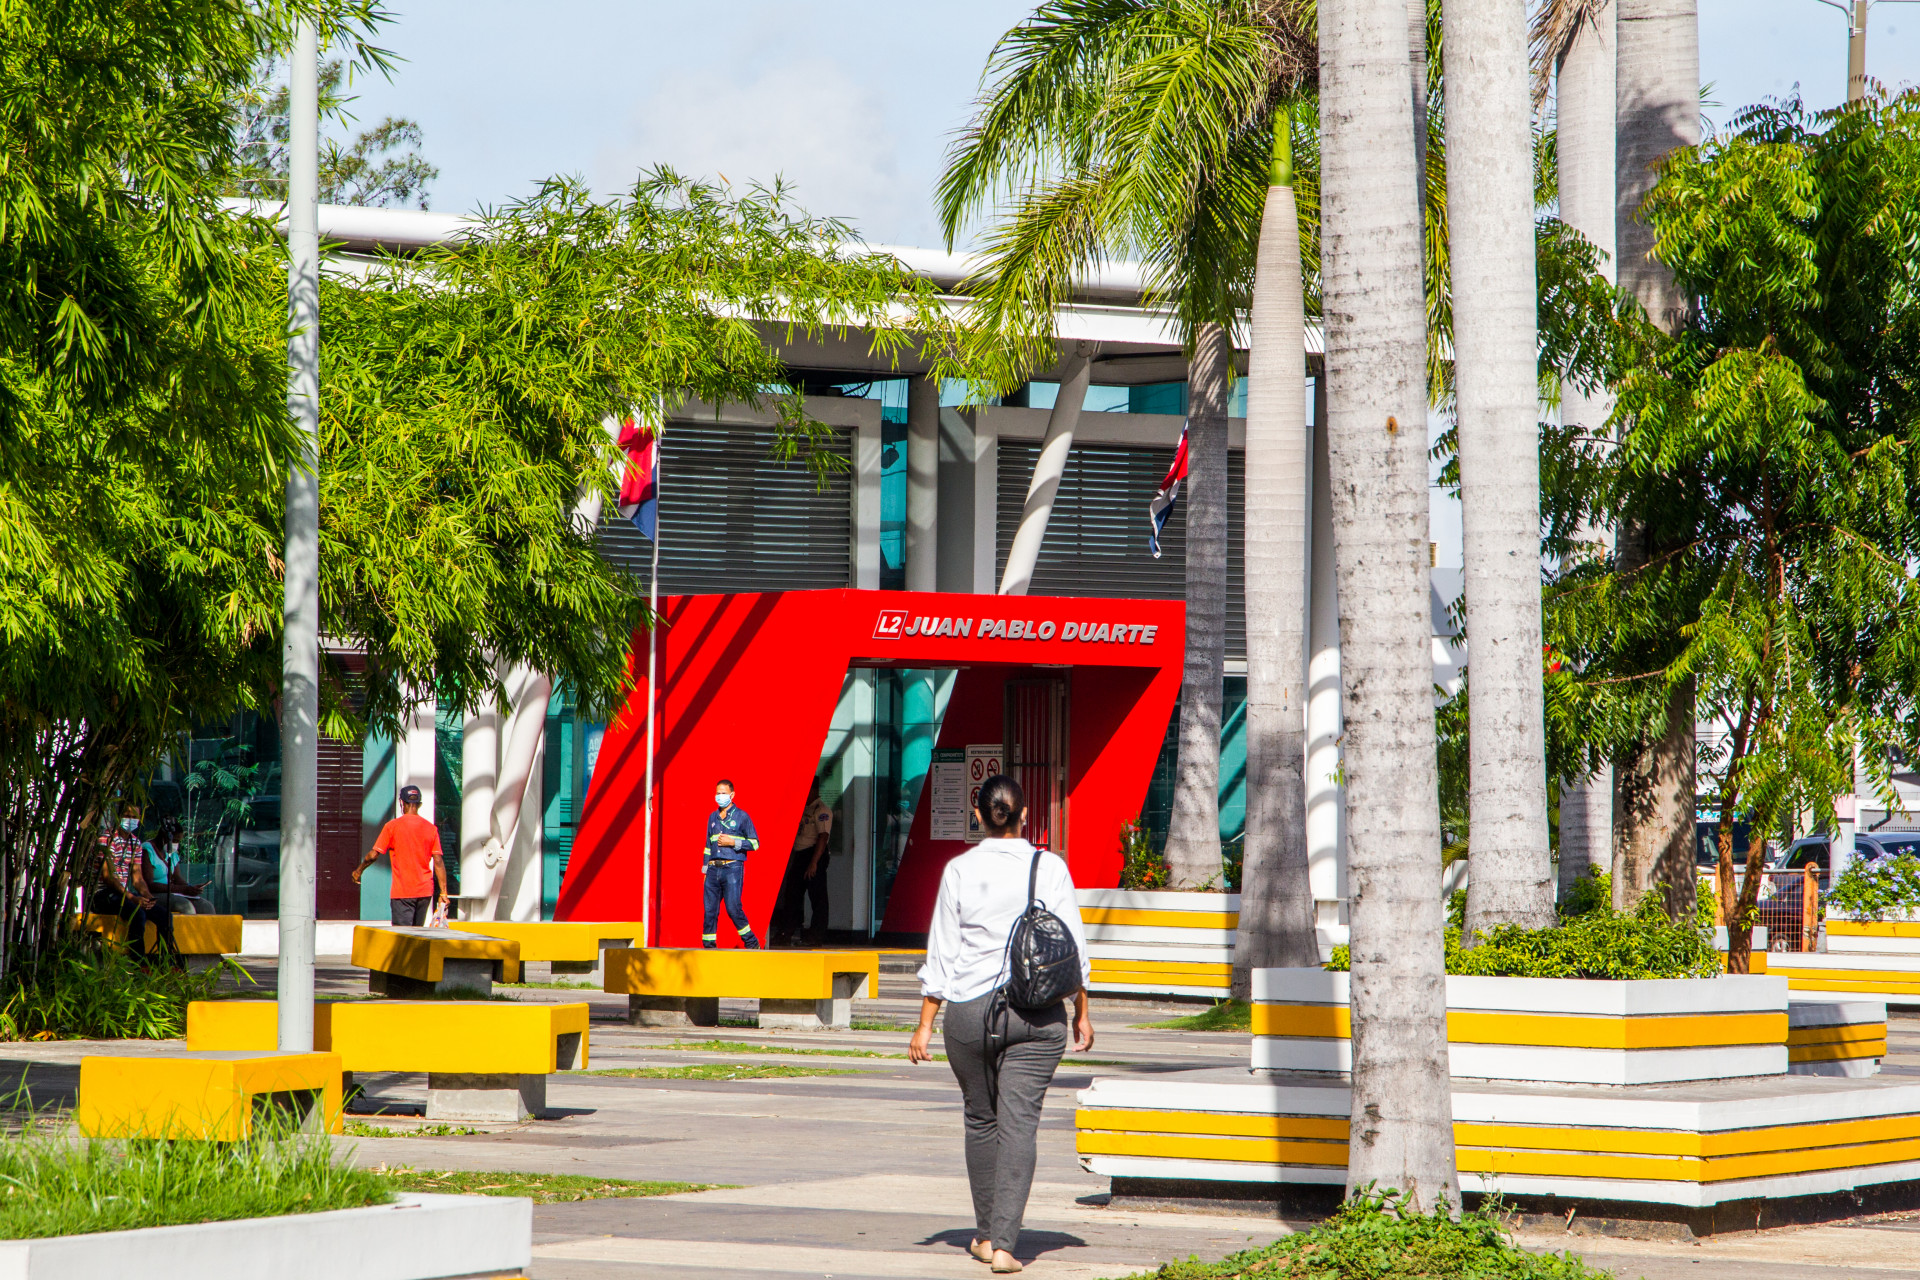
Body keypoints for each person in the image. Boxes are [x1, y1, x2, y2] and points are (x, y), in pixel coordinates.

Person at [909, 774, 1093, 1274]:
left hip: (969, 1012)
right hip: (1037, 1014)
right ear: (1025, 815)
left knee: (980, 1120)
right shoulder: (1049, 867)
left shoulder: (959, 870)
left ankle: (987, 1236)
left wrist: (924, 1025)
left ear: (979, 816)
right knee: (1019, 1124)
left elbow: (941, 954)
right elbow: (1072, 949)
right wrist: (1083, 1012)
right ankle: (1007, 1247)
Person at [352, 784, 447, 926]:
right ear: (419, 804)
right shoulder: (431, 829)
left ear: (401, 803)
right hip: (424, 892)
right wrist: (443, 892)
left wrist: (358, 871)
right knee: (416, 934)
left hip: (403, 892)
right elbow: (438, 861)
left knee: (402, 936)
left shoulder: (392, 827)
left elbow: (373, 855)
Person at [95, 802, 173, 963]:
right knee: (137, 913)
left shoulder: (135, 843)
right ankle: (138, 962)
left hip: (123, 893)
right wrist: (132, 898)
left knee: (164, 915)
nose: (131, 820)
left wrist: (147, 896)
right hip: (104, 894)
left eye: (134, 817)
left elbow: (137, 878)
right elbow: (109, 877)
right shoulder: (107, 839)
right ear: (119, 817)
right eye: (127, 816)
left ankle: (166, 961)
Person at [772, 777, 833, 946]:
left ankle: (816, 936)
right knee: (792, 894)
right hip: (800, 855)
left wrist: (814, 863)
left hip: (814, 855)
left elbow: (823, 837)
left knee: (817, 897)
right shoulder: (803, 808)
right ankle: (785, 933)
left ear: (814, 790)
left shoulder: (822, 810)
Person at [702, 779, 761, 950]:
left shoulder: (742, 816)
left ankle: (751, 942)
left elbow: (755, 843)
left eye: (724, 793)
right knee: (710, 910)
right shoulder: (712, 817)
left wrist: (733, 842)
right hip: (713, 869)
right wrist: (705, 869)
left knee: (733, 908)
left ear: (732, 795)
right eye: (718, 793)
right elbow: (708, 846)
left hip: (732, 868)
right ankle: (709, 946)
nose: (720, 796)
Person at [148, 816, 215, 915]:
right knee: (186, 906)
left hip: (173, 892)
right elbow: (150, 884)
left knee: (206, 906)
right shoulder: (148, 850)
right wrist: (183, 889)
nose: (176, 844)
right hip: (154, 894)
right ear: (164, 837)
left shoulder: (172, 853)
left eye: (178, 841)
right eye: (174, 840)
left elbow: (177, 878)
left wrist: (191, 888)